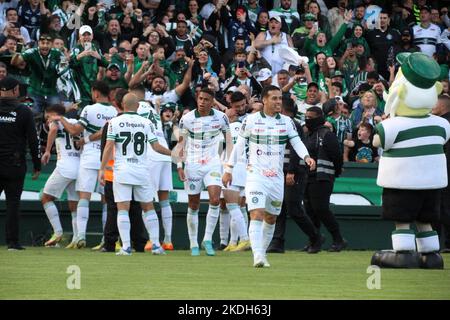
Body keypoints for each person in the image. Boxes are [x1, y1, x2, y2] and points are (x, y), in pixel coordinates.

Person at [222, 85, 315, 268]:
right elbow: (239, 145)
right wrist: (229, 168)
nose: (278, 101)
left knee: (271, 218)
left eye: (280, 98)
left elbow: (296, 142)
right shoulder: (251, 120)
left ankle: (262, 253)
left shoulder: (287, 122)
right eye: (274, 98)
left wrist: (306, 157)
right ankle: (258, 256)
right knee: (256, 213)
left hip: (276, 178)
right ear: (264, 100)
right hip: (256, 175)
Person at [100, 93, 173, 255]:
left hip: (122, 170)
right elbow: (156, 147)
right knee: (148, 207)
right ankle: (155, 245)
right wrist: (173, 154)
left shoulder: (114, 122)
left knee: (122, 209)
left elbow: (108, 146)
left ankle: (126, 247)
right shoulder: (146, 122)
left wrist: (102, 169)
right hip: (141, 170)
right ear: (138, 107)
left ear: (122, 105)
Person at [49, 81, 117, 248]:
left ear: (95, 92)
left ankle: (80, 236)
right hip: (108, 157)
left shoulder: (89, 109)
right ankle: (105, 239)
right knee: (106, 200)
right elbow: (104, 132)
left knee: (84, 197)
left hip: (89, 156)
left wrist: (61, 119)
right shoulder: (115, 111)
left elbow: (74, 131)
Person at [176, 88, 232, 256]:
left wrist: (228, 167)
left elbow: (229, 143)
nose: (202, 102)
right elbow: (180, 144)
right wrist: (179, 165)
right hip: (192, 165)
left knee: (215, 200)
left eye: (206, 99)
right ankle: (193, 242)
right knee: (193, 204)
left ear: (212, 101)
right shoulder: (186, 119)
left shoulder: (222, 118)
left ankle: (207, 239)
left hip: (213, 164)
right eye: (200, 99)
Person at [267, 97, 322, 254]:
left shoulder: (292, 124)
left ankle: (315, 236)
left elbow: (296, 148)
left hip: (294, 171)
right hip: (279, 171)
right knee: (279, 207)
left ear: (284, 109)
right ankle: (277, 241)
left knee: (293, 208)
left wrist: (291, 171)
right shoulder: (278, 124)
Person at [0, 76, 40, 250]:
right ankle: (13, 243)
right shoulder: (23, 111)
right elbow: (33, 140)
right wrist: (37, 165)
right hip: (14, 165)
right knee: (13, 204)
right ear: (16, 90)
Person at [302, 106, 346, 252]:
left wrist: (336, 172)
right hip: (307, 177)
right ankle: (314, 240)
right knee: (309, 210)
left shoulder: (327, 134)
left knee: (321, 209)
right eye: (306, 117)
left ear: (320, 118)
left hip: (323, 177)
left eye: (311, 117)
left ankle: (338, 239)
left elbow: (337, 156)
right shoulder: (308, 135)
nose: (308, 120)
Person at [40, 104, 81, 248]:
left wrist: (47, 151)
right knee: (74, 204)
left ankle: (58, 232)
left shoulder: (55, 120)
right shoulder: (76, 123)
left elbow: (54, 129)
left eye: (47, 116)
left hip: (65, 166)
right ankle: (77, 238)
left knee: (45, 198)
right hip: (79, 167)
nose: (47, 120)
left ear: (52, 114)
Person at [431, 94, 450, 253]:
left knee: (443, 207)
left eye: (434, 103)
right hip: (441, 172)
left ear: (442, 106)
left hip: (443, 173)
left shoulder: (443, 124)